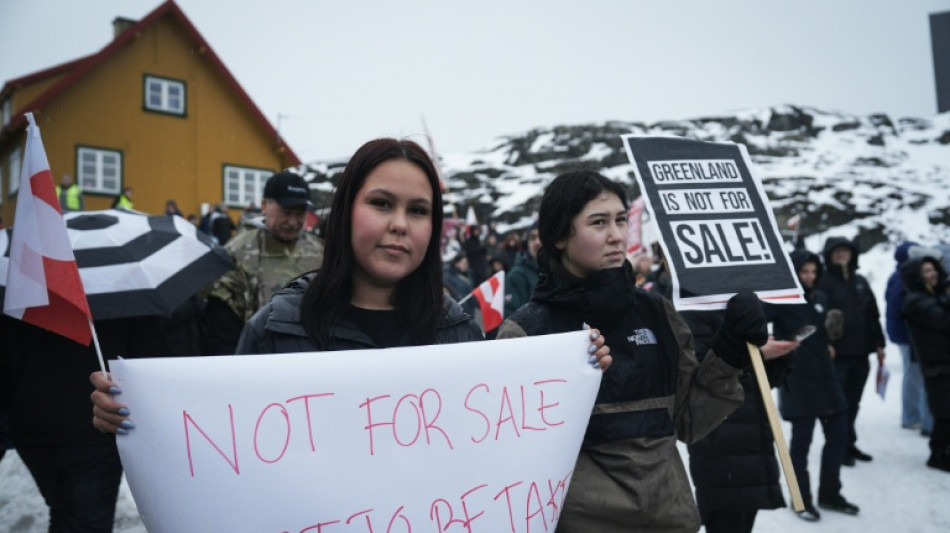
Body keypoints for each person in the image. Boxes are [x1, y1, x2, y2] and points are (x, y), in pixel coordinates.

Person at [91, 139, 612, 429]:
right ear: (345, 212)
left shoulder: (457, 331)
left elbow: (498, 436)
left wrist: (575, 366)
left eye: (419, 210)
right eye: (381, 203)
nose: (400, 225)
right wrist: (138, 415)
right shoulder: (276, 329)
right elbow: (217, 432)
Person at [496, 170, 768, 532]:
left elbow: (689, 420)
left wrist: (730, 352)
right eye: (598, 222)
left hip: (671, 520)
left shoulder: (657, 312)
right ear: (559, 235)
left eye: (621, 220)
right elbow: (513, 463)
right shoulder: (526, 332)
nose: (617, 236)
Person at [2, 314, 170, 532]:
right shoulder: (120, 294)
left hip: (34, 421)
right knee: (84, 520)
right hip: (92, 427)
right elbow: (152, 357)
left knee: (64, 511)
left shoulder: (22, 291)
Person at [684, 309, 796, 533]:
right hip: (719, 436)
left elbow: (760, 379)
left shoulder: (746, 307)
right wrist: (753, 353)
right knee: (726, 518)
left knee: (744, 518)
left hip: (753, 437)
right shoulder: (693, 309)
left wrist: (780, 356)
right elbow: (701, 375)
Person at [770, 249, 857, 521]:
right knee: (802, 443)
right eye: (804, 272)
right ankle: (801, 499)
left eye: (813, 272)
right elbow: (755, 316)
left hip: (827, 378)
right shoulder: (781, 298)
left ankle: (830, 493)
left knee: (839, 436)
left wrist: (829, 343)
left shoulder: (820, 296)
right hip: (798, 379)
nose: (810, 277)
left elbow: (820, 330)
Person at [204, 171, 324, 355]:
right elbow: (222, 328)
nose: (293, 222)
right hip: (258, 361)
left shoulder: (319, 250)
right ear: (264, 206)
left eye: (300, 214)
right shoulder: (237, 252)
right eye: (286, 212)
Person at [816, 236, 885, 466]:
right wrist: (824, 344)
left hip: (860, 353)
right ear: (829, 255)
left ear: (853, 254)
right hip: (836, 355)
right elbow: (816, 317)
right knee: (836, 404)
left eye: (845, 251)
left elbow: (872, 314)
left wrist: (879, 343)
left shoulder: (860, 281)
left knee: (853, 402)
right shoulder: (823, 282)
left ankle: (848, 442)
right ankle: (837, 446)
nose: (841, 255)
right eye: (836, 251)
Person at [900, 254, 950, 472]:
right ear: (917, 277)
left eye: (933, 269)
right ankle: (939, 454)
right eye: (927, 271)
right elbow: (942, 319)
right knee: (944, 413)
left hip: (943, 361)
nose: (933, 274)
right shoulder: (914, 301)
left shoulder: (936, 294)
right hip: (936, 364)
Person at [885, 241, 933, 434]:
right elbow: (898, 308)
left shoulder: (899, 275)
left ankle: (914, 415)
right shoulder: (902, 276)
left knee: (914, 375)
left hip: (904, 334)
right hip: (907, 336)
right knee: (914, 376)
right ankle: (912, 417)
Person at [504, 222, 540, 316]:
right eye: (533, 238)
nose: (537, 242)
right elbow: (513, 318)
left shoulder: (559, 271)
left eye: (542, 237)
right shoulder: (516, 275)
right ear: (527, 243)